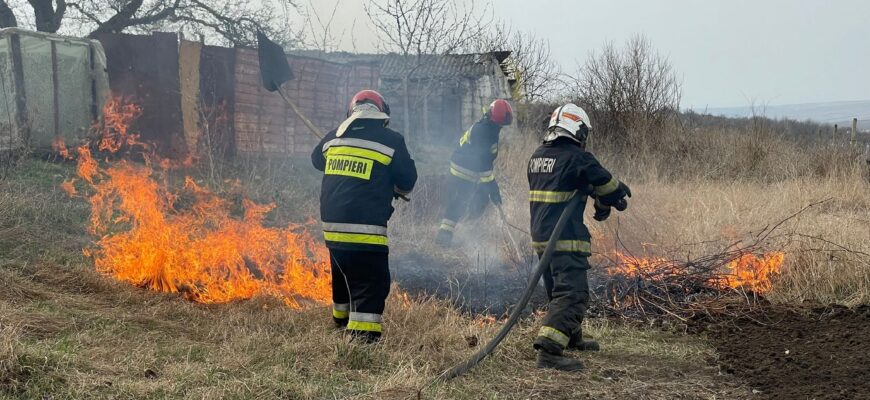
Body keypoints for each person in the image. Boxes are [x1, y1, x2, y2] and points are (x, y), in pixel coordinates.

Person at [527, 103, 631, 370]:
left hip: (541, 237)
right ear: (579, 130)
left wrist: (601, 196)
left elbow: (578, 184)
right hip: (565, 238)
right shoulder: (577, 158)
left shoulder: (538, 156)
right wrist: (616, 193)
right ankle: (549, 351)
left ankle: (572, 337)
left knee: (557, 291)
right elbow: (606, 183)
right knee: (573, 294)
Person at [311, 90, 418, 342]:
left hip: (333, 228)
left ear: (351, 112)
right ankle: (361, 340)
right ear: (383, 115)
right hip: (365, 228)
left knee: (343, 274)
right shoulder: (392, 140)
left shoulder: (333, 137)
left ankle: (341, 321)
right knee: (371, 281)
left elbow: (317, 160)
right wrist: (391, 184)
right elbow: (408, 180)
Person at [435, 99, 514, 246]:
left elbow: (485, 162)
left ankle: (460, 234)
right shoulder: (484, 132)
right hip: (463, 171)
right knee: (460, 202)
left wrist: (491, 187)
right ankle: (444, 237)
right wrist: (493, 188)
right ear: (493, 119)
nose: (501, 127)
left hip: (469, 170)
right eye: (500, 124)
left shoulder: (489, 128)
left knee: (472, 202)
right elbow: (483, 164)